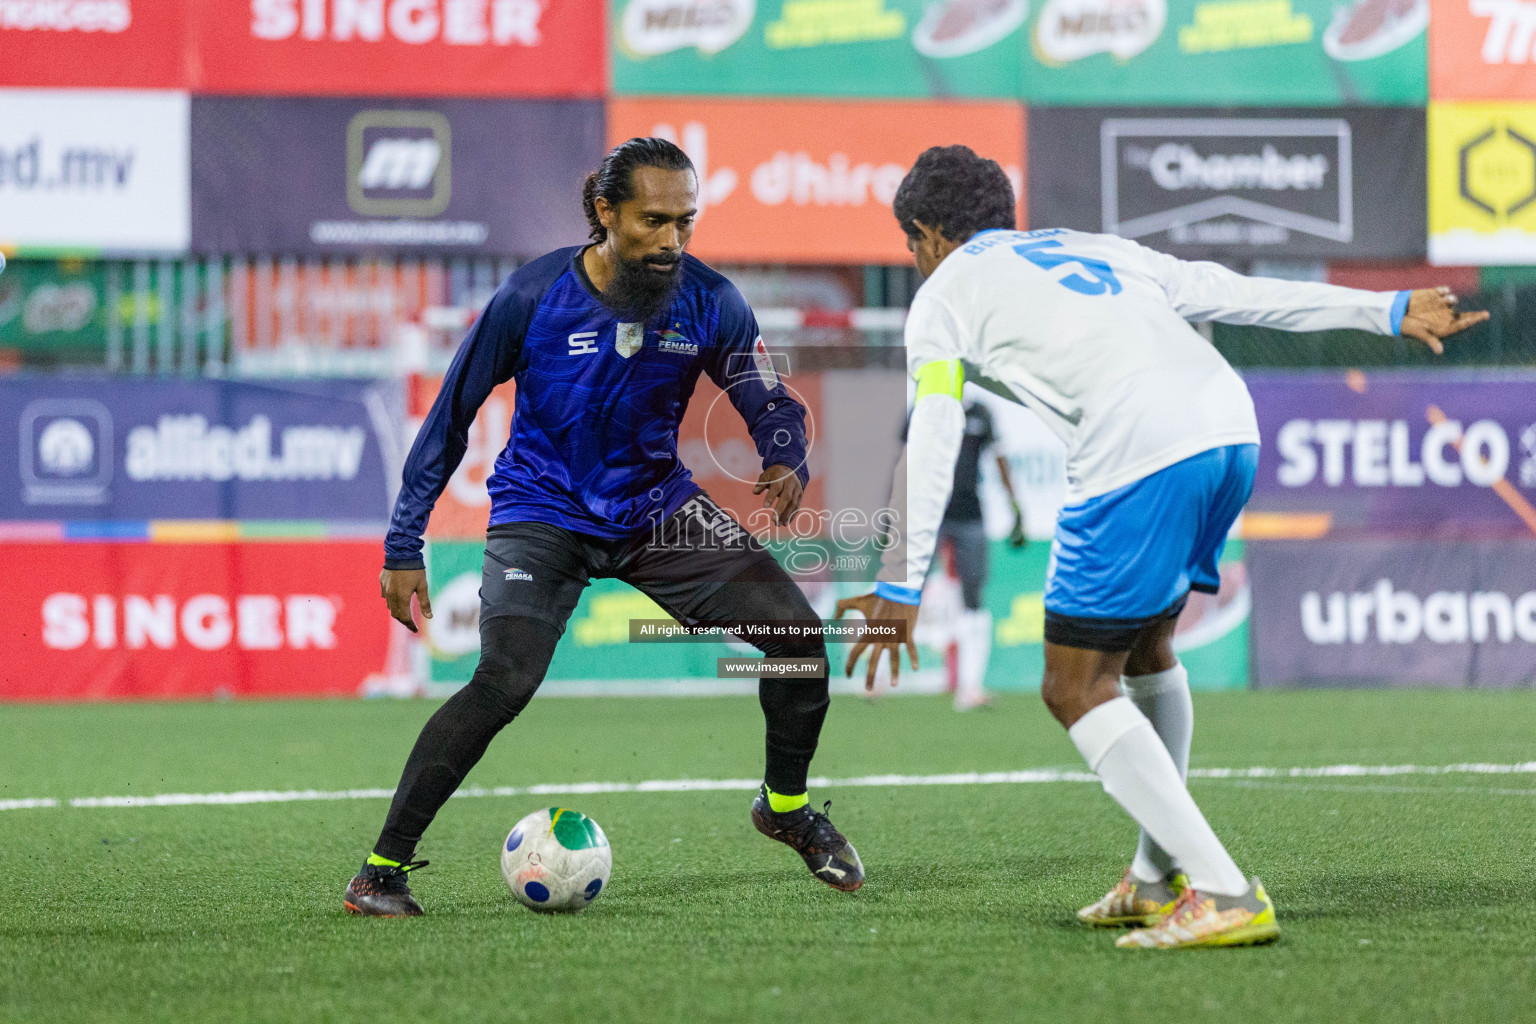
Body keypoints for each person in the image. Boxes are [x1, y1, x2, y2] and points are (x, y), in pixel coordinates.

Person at [838, 145, 1487, 949]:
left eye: (912, 244)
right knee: (1147, 648)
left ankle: (1224, 890)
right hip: (1228, 430)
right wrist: (1383, 311)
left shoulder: (941, 301)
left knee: (1073, 685)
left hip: (1138, 452)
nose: (916, 260)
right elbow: (1236, 291)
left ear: (930, 234)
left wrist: (899, 583)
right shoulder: (1093, 247)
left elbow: (933, 433)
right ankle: (1155, 877)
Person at [345, 138, 864, 917]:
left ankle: (784, 808)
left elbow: (768, 399)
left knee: (798, 643)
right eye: (653, 221)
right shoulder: (531, 297)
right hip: (542, 513)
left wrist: (785, 454)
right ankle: (381, 870)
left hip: (658, 512)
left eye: (685, 221)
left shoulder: (711, 300)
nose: (672, 240)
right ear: (604, 213)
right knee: (504, 681)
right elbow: (450, 419)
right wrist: (402, 541)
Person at [902, 397, 1027, 710]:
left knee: (973, 597)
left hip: (970, 516)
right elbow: (904, 460)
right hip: (928, 513)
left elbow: (999, 459)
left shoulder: (980, 412)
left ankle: (970, 687)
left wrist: (1016, 509)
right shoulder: (924, 406)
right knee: (905, 586)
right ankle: (874, 678)